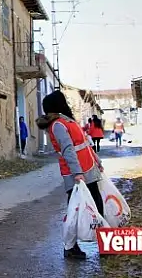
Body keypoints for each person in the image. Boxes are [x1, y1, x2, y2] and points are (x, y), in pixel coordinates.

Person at [36, 90, 105, 260]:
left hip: (87, 169)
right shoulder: (58, 125)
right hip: (77, 173)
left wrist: (96, 159)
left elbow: (84, 142)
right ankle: (71, 247)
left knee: (96, 205)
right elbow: (67, 150)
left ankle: (103, 244)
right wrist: (78, 173)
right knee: (76, 211)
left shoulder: (66, 121)